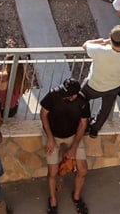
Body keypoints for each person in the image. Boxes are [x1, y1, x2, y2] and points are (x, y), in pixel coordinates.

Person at [39, 76, 91, 214]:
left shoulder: (82, 101)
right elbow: (43, 114)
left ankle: (77, 197)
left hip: (73, 135)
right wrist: (50, 137)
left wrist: (74, 147)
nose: (63, 95)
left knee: (83, 169)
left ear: (74, 95)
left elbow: (83, 123)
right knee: (53, 172)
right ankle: (53, 200)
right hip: (52, 134)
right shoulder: (53, 94)